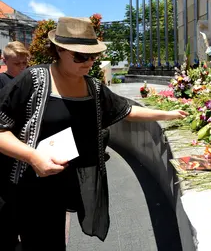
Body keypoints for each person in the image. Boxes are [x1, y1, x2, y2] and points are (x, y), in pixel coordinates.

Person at [0, 16, 187, 251]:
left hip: (62, 185)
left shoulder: (93, 87)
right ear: (59, 50)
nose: (88, 62)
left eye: (93, 56)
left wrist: (169, 114)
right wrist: (33, 157)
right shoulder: (33, 79)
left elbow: (126, 110)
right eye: (80, 56)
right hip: (27, 186)